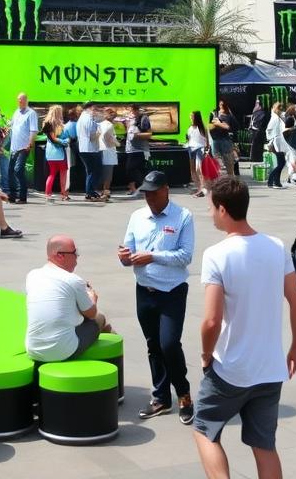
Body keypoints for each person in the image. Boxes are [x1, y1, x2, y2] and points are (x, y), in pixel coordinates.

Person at [193, 176, 296, 479]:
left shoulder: (216, 255)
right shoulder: (276, 246)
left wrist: (206, 354)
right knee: (264, 445)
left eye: (211, 208)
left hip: (231, 369)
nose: (210, 214)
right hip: (270, 370)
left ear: (223, 210)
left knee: (204, 429)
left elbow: (212, 321)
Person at [118, 170, 195, 424]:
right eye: (146, 193)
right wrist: (125, 257)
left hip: (172, 291)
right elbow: (127, 249)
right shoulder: (137, 216)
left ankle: (183, 394)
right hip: (144, 290)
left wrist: (153, 256)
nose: (149, 198)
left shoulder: (183, 216)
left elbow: (185, 256)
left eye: (153, 192)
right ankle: (160, 397)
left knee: (169, 344)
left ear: (166, 191)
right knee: (153, 344)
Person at [26, 234, 112, 363]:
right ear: (60, 255)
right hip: (61, 351)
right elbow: (91, 314)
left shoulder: (33, 275)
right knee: (100, 318)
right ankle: (112, 356)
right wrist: (92, 298)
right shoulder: (73, 280)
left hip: (33, 349)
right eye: (74, 253)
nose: (77, 257)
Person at [8, 92, 38, 205]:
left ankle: (22, 196)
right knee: (11, 170)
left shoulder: (31, 113)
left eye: (21, 100)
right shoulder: (16, 112)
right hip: (14, 147)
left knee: (18, 169)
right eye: (18, 100)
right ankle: (12, 195)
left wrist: (30, 143)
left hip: (24, 146)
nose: (19, 102)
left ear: (26, 100)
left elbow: (33, 130)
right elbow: (12, 125)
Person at [266, 101, 296, 189]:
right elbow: (269, 130)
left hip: (279, 143)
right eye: (280, 108)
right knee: (281, 163)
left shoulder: (278, 117)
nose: (281, 110)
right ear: (277, 109)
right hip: (276, 143)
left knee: (281, 163)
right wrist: (272, 141)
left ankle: (276, 181)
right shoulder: (275, 119)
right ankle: (271, 180)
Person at [42, 104, 69, 203]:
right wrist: (65, 141)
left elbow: (51, 138)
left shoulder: (46, 124)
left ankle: (47, 193)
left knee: (52, 174)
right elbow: (56, 138)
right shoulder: (59, 125)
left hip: (49, 153)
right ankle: (63, 194)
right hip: (60, 153)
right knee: (63, 173)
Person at [125, 104, 153, 196]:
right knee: (131, 169)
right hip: (130, 149)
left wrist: (136, 135)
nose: (130, 113)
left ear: (136, 110)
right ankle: (133, 189)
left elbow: (149, 134)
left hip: (139, 149)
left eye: (131, 111)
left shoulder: (143, 119)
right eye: (129, 111)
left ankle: (142, 188)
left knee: (133, 169)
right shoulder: (130, 120)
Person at [76, 101, 101, 200]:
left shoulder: (81, 119)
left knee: (90, 171)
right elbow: (92, 136)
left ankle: (90, 191)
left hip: (83, 147)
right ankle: (90, 192)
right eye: (94, 109)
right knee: (93, 171)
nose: (95, 111)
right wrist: (99, 133)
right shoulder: (89, 119)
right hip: (90, 148)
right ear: (89, 109)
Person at [208, 101, 237, 177]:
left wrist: (218, 123)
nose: (221, 106)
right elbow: (210, 126)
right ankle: (221, 180)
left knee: (228, 162)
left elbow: (227, 127)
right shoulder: (214, 114)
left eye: (223, 105)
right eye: (220, 105)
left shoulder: (228, 115)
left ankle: (230, 180)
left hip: (224, 140)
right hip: (215, 140)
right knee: (217, 162)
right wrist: (216, 124)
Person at [186, 110, 208, 196]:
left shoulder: (202, 128)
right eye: (190, 116)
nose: (191, 117)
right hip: (191, 148)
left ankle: (203, 189)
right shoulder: (190, 127)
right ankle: (199, 188)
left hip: (200, 148)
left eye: (192, 116)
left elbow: (206, 140)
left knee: (200, 169)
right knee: (193, 170)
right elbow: (189, 138)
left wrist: (206, 150)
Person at [98, 109, 119, 201]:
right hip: (109, 151)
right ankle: (106, 192)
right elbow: (107, 135)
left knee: (103, 172)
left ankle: (103, 191)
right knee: (108, 174)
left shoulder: (101, 124)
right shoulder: (109, 125)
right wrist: (115, 143)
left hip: (101, 150)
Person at [61, 107, 79, 196]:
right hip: (74, 145)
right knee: (73, 166)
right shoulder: (76, 124)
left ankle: (70, 185)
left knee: (70, 166)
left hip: (68, 146)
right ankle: (73, 185)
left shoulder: (66, 125)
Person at [249, 98, 269, 164]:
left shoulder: (255, 112)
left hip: (254, 132)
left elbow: (252, 123)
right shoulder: (263, 113)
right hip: (259, 132)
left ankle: (253, 158)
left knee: (254, 146)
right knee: (258, 146)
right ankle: (258, 159)